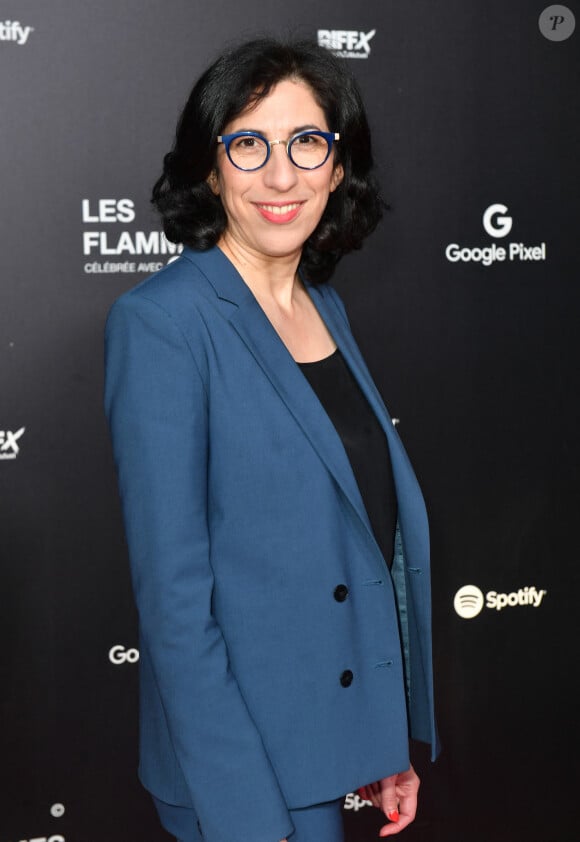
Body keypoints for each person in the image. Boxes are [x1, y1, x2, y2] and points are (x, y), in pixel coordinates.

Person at [104, 37, 439, 842]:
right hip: (244, 779)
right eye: (248, 144)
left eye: (307, 143)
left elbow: (354, 539)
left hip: (327, 747)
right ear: (210, 166)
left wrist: (377, 740)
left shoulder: (323, 305)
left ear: (337, 164)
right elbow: (177, 608)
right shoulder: (163, 325)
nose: (281, 176)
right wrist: (245, 816)